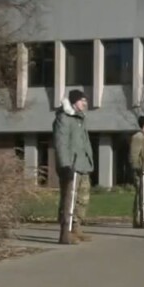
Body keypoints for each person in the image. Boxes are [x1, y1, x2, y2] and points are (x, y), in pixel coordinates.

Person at [53, 89, 94, 244]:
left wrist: (89, 159)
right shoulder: (64, 118)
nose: (85, 103)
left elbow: (84, 142)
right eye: (82, 100)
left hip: (83, 164)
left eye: (86, 100)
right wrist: (65, 165)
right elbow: (61, 143)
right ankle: (66, 232)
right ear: (74, 101)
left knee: (82, 199)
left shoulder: (81, 119)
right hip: (70, 166)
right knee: (69, 199)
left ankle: (76, 228)